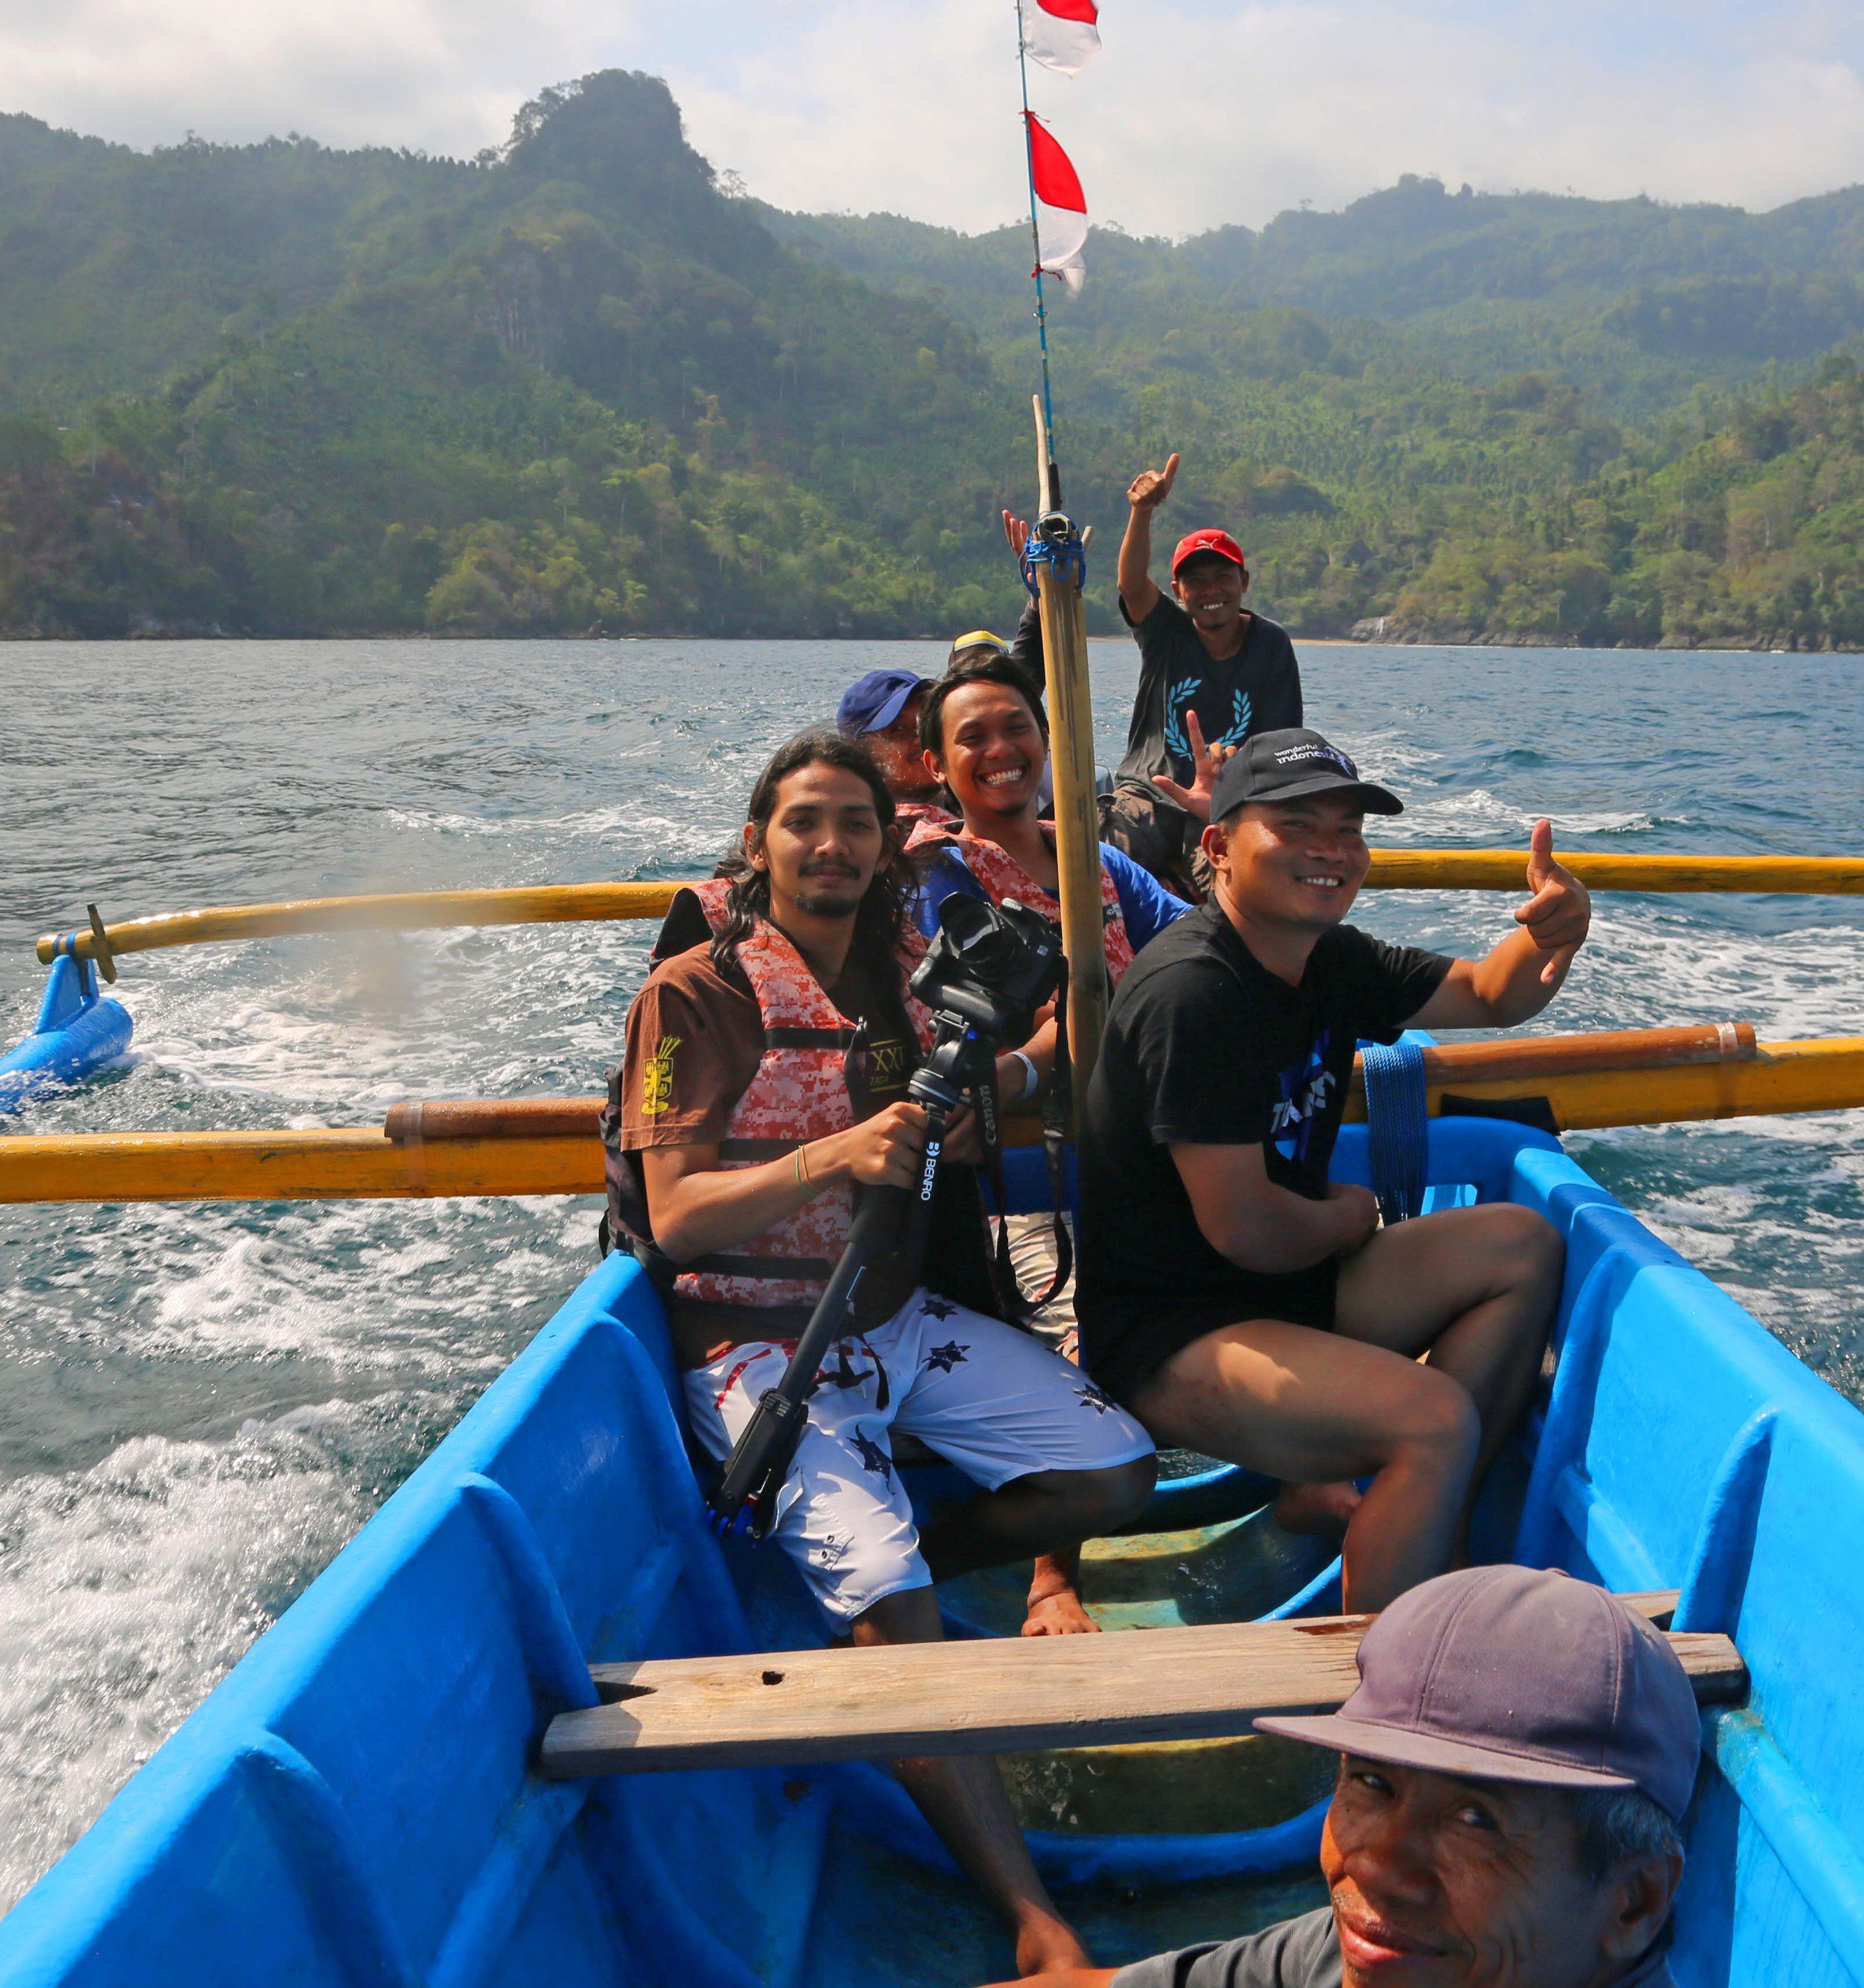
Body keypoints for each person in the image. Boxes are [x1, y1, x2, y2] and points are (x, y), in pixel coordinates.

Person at [613, 725, 1155, 1978]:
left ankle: (898, 1575)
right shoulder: (690, 995)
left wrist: (998, 1096)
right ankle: (1032, 1916)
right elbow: (678, 1212)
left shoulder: (907, 983)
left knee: (1120, 1471)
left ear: (883, 847)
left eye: (857, 823)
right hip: (757, 1345)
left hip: (894, 1322)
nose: (832, 844)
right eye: (805, 821)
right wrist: (832, 1157)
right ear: (760, 845)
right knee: (900, 1614)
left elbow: (962, 1114)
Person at [1074, 728, 1593, 1615]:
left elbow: (1488, 994)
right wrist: (1353, 1216)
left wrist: (1557, 934)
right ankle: (1374, 1721)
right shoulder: (1192, 994)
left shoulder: (1328, 960)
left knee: (1519, 1243)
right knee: (1429, 1418)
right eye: (1296, 824)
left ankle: (1410, 1514)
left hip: (1290, 1290)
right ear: (1216, 846)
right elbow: (1246, 1228)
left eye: (1348, 830)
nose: (1330, 850)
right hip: (1176, 1334)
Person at [981, 1566, 1699, 1988]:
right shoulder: (1381, 1949)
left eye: (1477, 1818)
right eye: (1373, 1785)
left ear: (1633, 1901)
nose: (1381, 1868)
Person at [902, 647, 1191, 1635]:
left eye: (1016, 726)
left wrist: (1227, 835)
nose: (998, 749)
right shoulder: (930, 878)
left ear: (1048, 740)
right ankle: (1047, 1574)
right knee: (1063, 1305)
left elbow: (1197, 951)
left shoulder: (1094, 863)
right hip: (999, 1163)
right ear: (937, 767)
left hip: (1113, 1146)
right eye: (970, 736)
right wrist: (1029, 1065)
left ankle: (1307, 1471)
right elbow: (933, 1018)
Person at [1011, 454, 1303, 896]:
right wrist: (1142, 511)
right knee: (1082, 870)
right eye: (1195, 582)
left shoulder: (1271, 645)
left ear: (1244, 581)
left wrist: (1238, 790)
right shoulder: (1167, 630)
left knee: (1245, 894)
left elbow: (1281, 743)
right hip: (1146, 796)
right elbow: (1131, 583)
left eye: (1222, 577)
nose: (1210, 592)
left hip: (1227, 804)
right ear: (1177, 592)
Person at [838, 666, 939, 809]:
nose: (922, 738)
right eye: (899, 729)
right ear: (862, 752)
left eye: (928, 723)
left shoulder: (974, 802)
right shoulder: (861, 826)